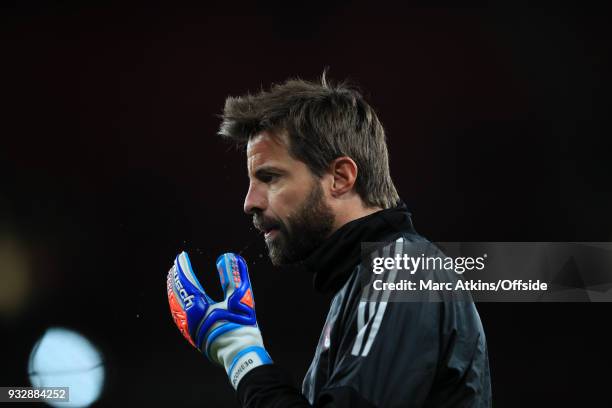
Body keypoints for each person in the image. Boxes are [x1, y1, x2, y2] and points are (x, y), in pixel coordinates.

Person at [166, 74, 492, 407]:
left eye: (269, 177)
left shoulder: (401, 268)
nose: (250, 202)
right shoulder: (365, 281)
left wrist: (244, 359)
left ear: (340, 177)